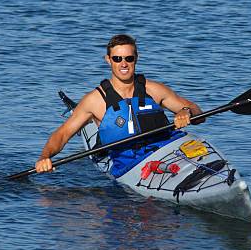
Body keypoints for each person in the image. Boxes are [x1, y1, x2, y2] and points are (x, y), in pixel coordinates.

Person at [35, 34, 204, 178]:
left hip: (168, 150)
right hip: (128, 163)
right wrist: (44, 156)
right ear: (108, 60)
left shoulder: (154, 90)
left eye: (129, 58)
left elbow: (198, 113)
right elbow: (62, 135)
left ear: (136, 58)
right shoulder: (95, 100)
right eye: (117, 58)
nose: (124, 64)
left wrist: (186, 111)